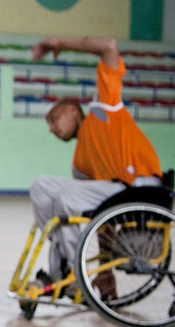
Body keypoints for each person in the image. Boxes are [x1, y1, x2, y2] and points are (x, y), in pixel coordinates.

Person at [28, 35, 163, 295]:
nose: (51, 129)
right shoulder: (80, 163)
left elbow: (110, 46)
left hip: (142, 186)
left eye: (54, 119)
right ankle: (66, 268)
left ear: (72, 111)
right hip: (115, 194)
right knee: (42, 186)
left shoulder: (103, 110)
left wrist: (57, 42)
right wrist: (105, 268)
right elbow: (102, 219)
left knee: (66, 195)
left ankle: (72, 271)